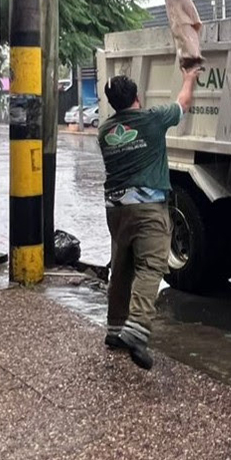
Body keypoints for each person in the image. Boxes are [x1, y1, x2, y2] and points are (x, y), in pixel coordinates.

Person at [98, 67, 201, 369]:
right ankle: (136, 329)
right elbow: (183, 103)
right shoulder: (153, 120)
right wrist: (189, 78)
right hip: (148, 209)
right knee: (151, 266)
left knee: (122, 266)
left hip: (116, 211)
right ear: (137, 98)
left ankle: (115, 329)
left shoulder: (104, 132)